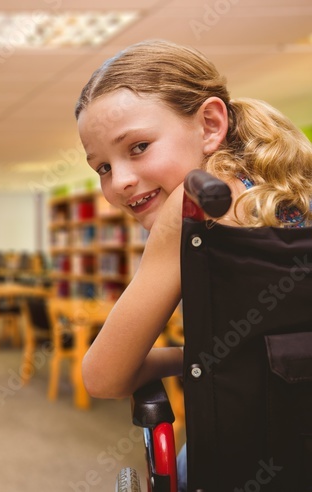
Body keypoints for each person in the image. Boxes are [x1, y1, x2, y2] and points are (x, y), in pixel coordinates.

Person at [73, 39, 312, 490]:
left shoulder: (192, 209)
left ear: (210, 124)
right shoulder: (293, 197)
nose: (120, 181)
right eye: (102, 167)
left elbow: (103, 375)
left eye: (138, 146)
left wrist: (189, 358)